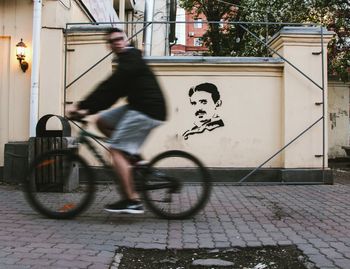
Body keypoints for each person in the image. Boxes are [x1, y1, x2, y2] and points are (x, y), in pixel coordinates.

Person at [67, 27, 167, 214]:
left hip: (148, 110)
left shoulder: (130, 59)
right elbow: (111, 93)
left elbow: (109, 89)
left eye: (120, 38)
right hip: (137, 106)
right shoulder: (125, 61)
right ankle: (133, 157)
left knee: (115, 150)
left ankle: (132, 201)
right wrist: (88, 109)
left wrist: (82, 106)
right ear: (109, 46)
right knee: (101, 121)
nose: (118, 42)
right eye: (113, 41)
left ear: (127, 40)